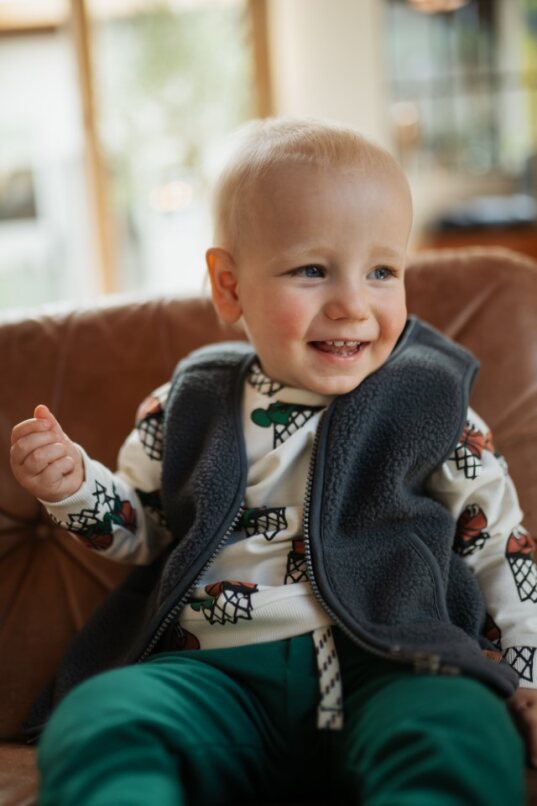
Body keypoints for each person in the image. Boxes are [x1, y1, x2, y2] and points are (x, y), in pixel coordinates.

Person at [10, 117, 535, 805]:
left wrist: (526, 678)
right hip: (218, 674)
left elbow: (498, 548)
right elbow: (144, 531)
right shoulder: (188, 404)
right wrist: (77, 487)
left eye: (382, 271)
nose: (352, 304)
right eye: (312, 270)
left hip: (394, 661)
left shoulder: (432, 405)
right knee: (103, 716)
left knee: (461, 723)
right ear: (229, 286)